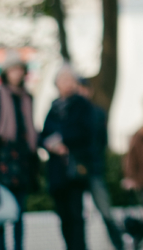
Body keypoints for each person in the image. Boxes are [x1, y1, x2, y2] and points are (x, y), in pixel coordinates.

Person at [0, 51, 38, 250]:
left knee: (19, 212)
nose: (16, 73)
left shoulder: (27, 98)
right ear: (5, 72)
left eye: (19, 69)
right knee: (0, 209)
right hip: (4, 160)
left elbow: (31, 129)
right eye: (12, 69)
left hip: (23, 161)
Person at [41, 65, 95, 250]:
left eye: (69, 80)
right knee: (63, 215)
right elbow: (43, 134)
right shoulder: (54, 107)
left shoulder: (82, 105)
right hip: (57, 171)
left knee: (76, 215)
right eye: (63, 80)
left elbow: (87, 133)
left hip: (75, 169)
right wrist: (50, 144)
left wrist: (64, 142)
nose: (66, 84)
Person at [78, 77, 125, 250]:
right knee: (77, 216)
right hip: (74, 172)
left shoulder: (97, 113)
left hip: (94, 169)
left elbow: (102, 141)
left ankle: (119, 245)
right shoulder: (69, 112)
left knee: (106, 211)